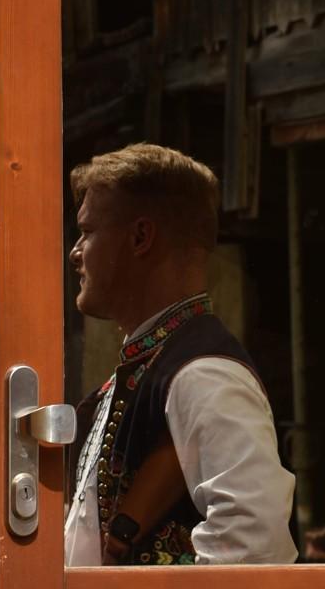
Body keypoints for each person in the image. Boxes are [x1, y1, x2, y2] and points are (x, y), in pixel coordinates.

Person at [65, 143, 296, 566]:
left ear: (140, 237)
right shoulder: (159, 367)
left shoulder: (203, 374)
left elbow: (254, 544)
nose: (76, 252)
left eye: (88, 231)